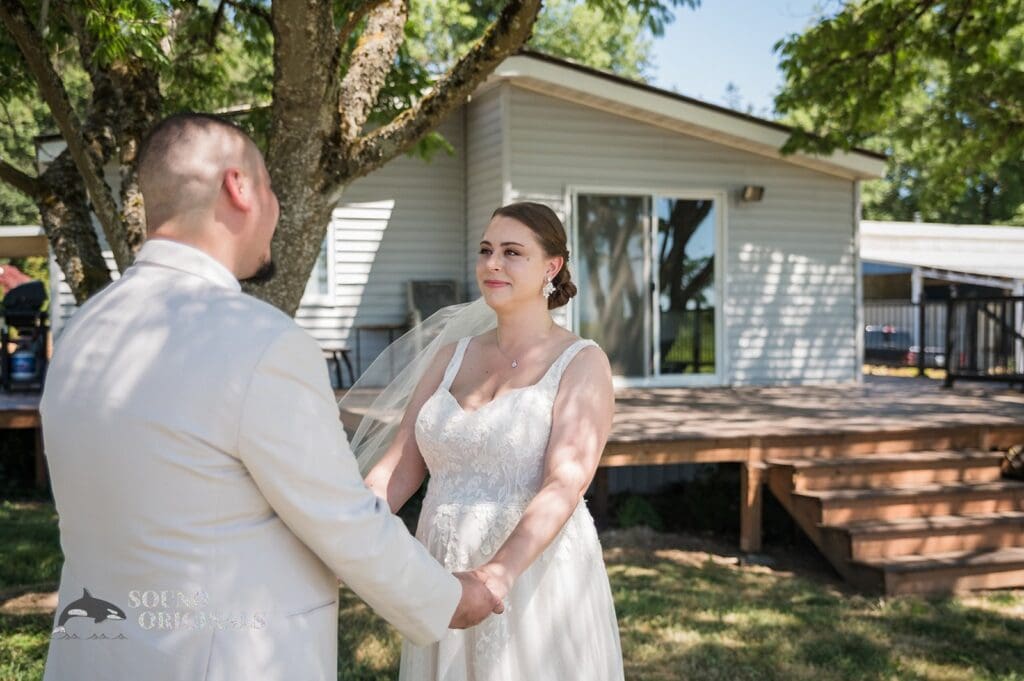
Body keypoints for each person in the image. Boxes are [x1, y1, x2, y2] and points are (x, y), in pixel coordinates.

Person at [39, 113, 500, 681]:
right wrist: (451, 598)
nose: (277, 208)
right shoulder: (262, 342)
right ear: (238, 187)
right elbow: (341, 520)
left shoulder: (83, 328)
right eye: (272, 186)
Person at [361, 202, 625, 680]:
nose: (492, 264)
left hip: (532, 569)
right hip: (442, 566)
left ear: (552, 266)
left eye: (511, 252)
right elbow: (399, 467)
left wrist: (497, 574)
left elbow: (565, 483)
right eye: (485, 251)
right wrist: (348, 532)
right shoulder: (448, 357)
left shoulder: (582, 362)